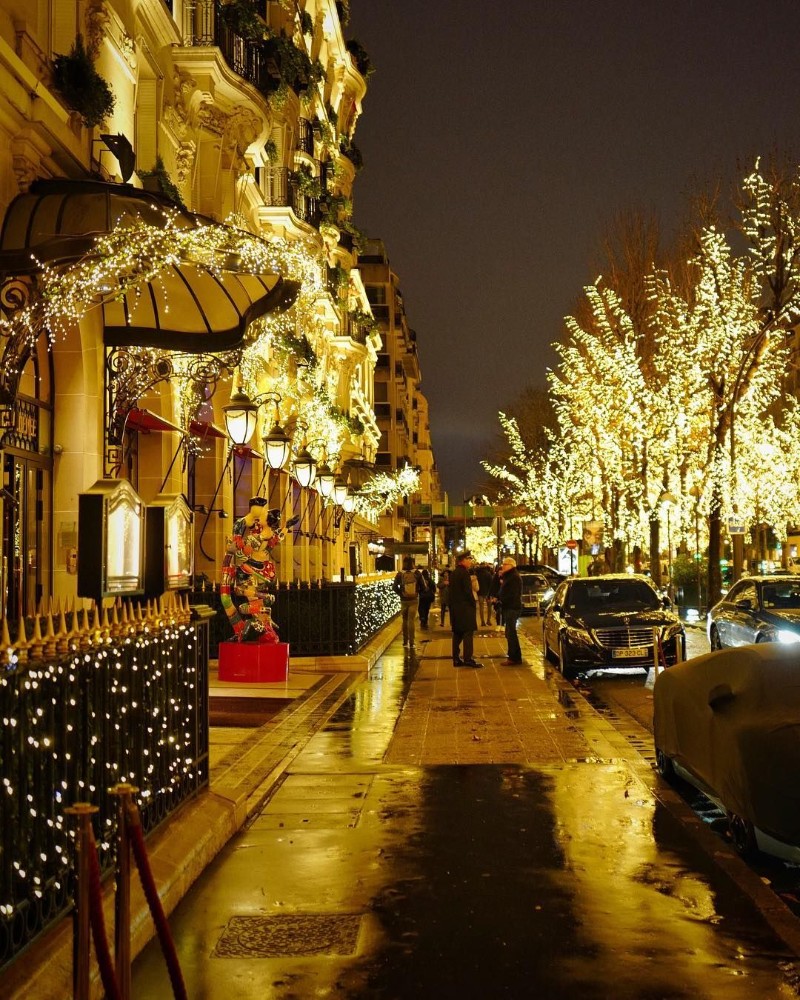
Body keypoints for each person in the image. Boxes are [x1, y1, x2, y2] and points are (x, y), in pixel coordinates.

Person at [220, 498, 299, 642]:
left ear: (267, 521)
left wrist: (232, 547)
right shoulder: (270, 536)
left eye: (263, 515)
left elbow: (241, 551)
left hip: (250, 569)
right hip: (262, 570)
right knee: (252, 601)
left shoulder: (257, 538)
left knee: (242, 599)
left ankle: (264, 611)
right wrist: (287, 526)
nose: (260, 516)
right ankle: (264, 622)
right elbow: (279, 537)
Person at [449, 550, 482, 667]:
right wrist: (473, 604)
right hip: (465, 608)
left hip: (455, 608)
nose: (471, 561)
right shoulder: (464, 573)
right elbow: (468, 592)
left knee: (457, 633)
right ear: (463, 560)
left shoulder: (454, 573)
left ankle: (456, 659)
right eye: (469, 559)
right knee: (468, 632)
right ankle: (468, 659)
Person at [496, 556, 523, 665]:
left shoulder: (514, 577)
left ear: (511, 566)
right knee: (509, 633)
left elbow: (512, 594)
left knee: (511, 633)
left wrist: (501, 600)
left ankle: (514, 657)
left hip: (512, 607)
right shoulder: (509, 576)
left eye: (505, 564)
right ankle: (514, 656)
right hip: (509, 607)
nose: (502, 566)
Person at [393, 555, 422, 648]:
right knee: (411, 621)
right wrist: (417, 592)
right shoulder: (417, 573)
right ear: (413, 563)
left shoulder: (400, 574)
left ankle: (405, 642)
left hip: (404, 600)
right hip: (413, 600)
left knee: (404, 620)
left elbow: (394, 587)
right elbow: (424, 587)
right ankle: (412, 643)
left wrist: (401, 594)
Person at [476, 561, 493, 627]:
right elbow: (491, 584)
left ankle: (482, 621)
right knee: (489, 607)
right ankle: (488, 620)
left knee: (481, 607)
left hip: (480, 592)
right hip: (487, 593)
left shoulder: (477, 574)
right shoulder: (488, 574)